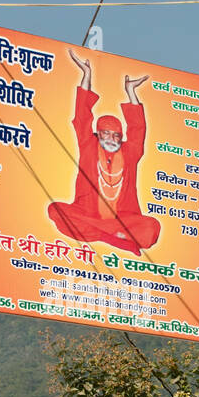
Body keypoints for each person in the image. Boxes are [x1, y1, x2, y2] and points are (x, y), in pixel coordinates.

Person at [47, 50, 161, 253]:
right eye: (106, 134)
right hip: (88, 213)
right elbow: (82, 117)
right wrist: (86, 76)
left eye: (116, 135)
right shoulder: (89, 146)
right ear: (98, 135)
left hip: (122, 218)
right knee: (56, 211)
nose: (112, 139)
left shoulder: (130, 153)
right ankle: (110, 236)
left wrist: (131, 92)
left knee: (151, 229)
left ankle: (106, 233)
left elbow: (138, 130)